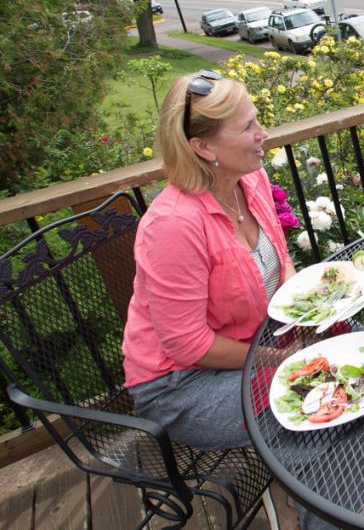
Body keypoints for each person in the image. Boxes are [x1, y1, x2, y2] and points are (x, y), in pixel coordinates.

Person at [123, 69, 296, 450]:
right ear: (204, 148)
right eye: (248, 126)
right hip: (182, 385)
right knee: (310, 400)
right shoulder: (172, 226)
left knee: (339, 351)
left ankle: (313, 498)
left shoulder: (250, 180)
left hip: (254, 344)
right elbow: (188, 346)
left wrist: (303, 315)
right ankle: (313, 504)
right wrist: (278, 356)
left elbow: (282, 261)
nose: (262, 133)